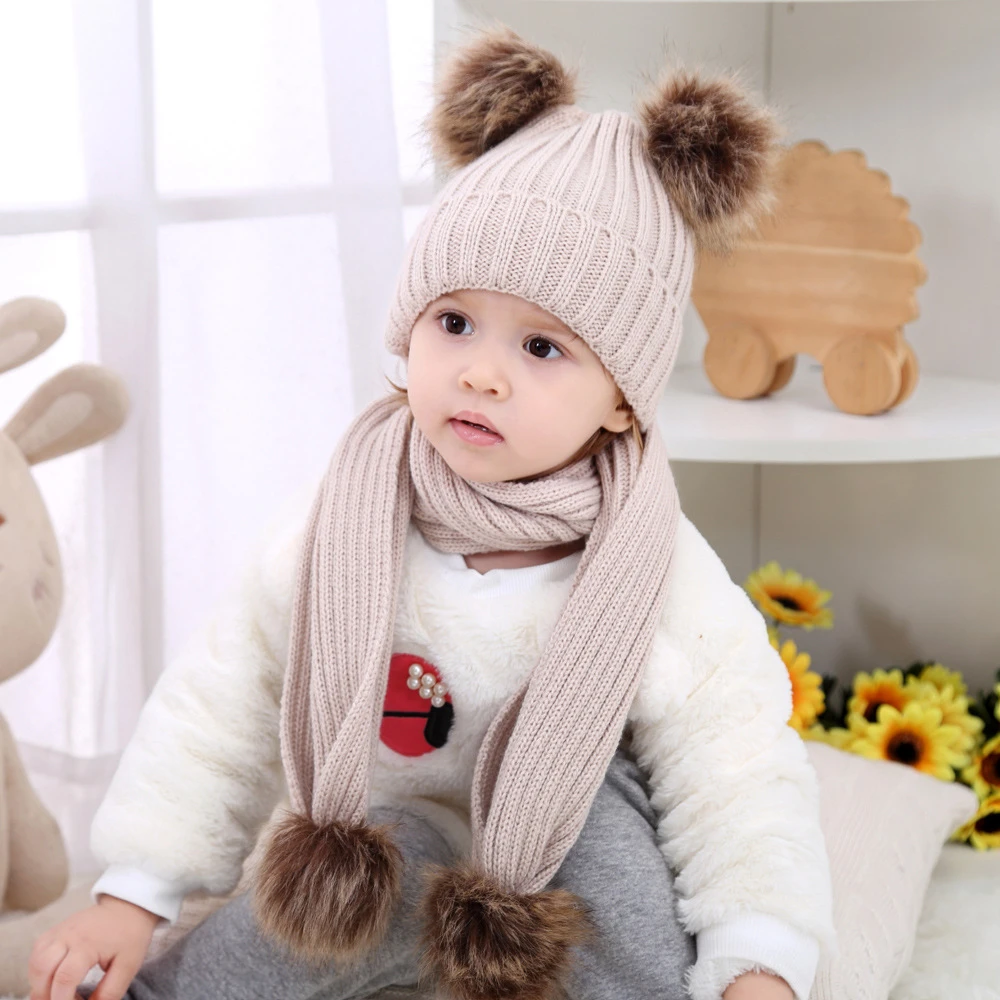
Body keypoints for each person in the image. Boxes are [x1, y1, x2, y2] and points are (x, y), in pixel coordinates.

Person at [27, 23, 837, 1000]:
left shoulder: (655, 563)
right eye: (453, 323)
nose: (481, 373)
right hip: (380, 845)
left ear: (623, 400)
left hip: (560, 847)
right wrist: (134, 892)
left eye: (542, 348)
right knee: (285, 924)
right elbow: (223, 697)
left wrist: (759, 954)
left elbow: (736, 763)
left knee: (628, 897)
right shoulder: (345, 516)